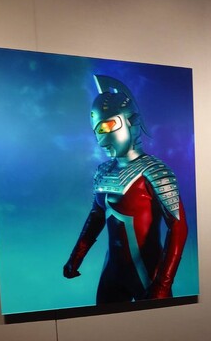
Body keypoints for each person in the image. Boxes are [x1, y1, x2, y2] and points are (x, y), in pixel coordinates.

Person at [63, 75, 188, 303]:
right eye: (97, 130)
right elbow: (96, 216)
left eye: (108, 125)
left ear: (131, 121)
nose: (102, 138)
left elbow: (178, 228)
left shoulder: (155, 172)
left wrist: (162, 284)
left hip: (148, 275)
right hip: (111, 273)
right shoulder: (103, 171)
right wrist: (76, 257)